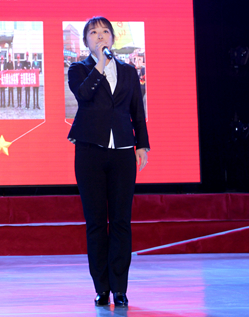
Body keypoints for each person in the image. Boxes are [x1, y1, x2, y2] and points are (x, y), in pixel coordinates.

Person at [67, 16, 150, 308]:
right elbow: (84, 95)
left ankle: (120, 288)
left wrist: (142, 144)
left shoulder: (128, 71)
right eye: (94, 32)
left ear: (113, 38)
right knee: (95, 223)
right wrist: (100, 65)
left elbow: (137, 110)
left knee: (121, 221)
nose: (100, 36)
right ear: (86, 41)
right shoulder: (78, 69)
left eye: (105, 32)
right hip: (90, 151)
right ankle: (102, 288)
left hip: (123, 151)